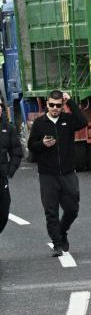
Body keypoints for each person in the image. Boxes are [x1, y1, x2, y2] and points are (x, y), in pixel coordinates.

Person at [27, 90, 88, 256]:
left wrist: (71, 102)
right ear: (47, 104)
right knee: (51, 211)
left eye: (58, 105)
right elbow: (31, 146)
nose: (55, 108)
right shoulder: (39, 123)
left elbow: (83, 122)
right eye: (51, 105)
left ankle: (63, 231)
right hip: (47, 174)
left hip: (68, 172)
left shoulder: (68, 120)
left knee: (72, 209)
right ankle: (57, 244)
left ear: (62, 105)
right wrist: (42, 144)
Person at [0, 99, 24, 238]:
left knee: (3, 211)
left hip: (2, 177)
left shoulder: (8, 128)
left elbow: (17, 152)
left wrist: (10, 171)